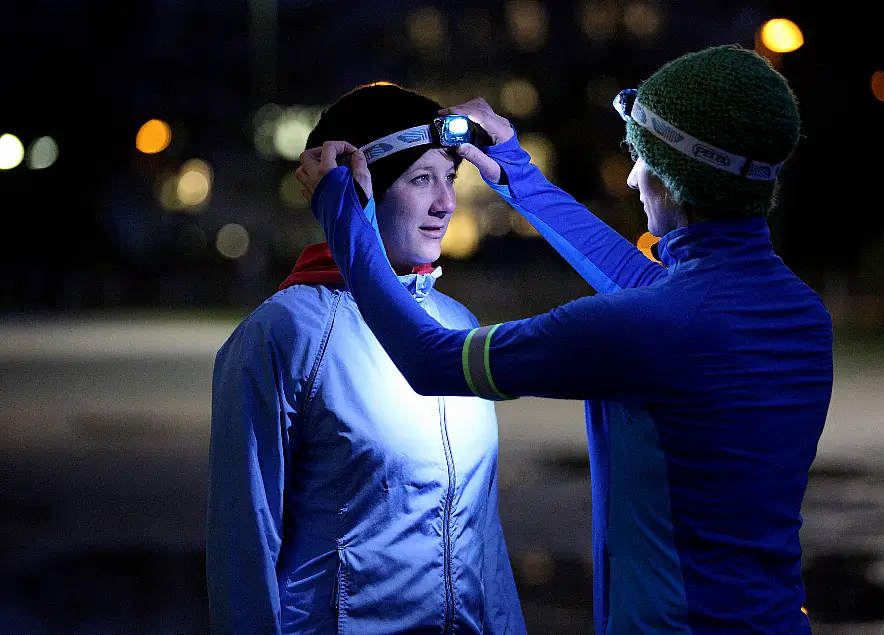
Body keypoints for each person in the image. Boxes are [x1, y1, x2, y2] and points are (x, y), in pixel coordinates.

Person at [298, 44, 834, 634]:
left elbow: (432, 361)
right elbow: (647, 283)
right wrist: (515, 173)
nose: (631, 178)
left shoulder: (648, 327)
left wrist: (344, 215)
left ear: (676, 182)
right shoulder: (801, 314)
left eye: (640, 157)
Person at [207, 82, 527, 635]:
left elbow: (484, 537)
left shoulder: (457, 325)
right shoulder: (283, 334)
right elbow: (244, 544)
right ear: (361, 187)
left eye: (449, 178)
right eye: (420, 178)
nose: (445, 203)